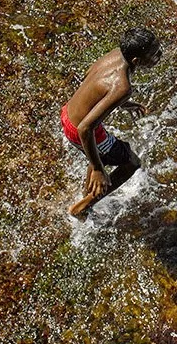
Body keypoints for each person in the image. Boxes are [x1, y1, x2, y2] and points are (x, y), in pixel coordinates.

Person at [63, 28, 161, 218]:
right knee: (131, 162)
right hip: (79, 129)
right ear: (137, 62)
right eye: (154, 54)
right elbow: (85, 128)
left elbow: (90, 77)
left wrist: (124, 104)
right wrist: (99, 169)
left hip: (68, 114)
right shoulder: (122, 87)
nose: (159, 56)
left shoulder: (115, 54)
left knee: (104, 151)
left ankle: (87, 193)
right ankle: (82, 207)